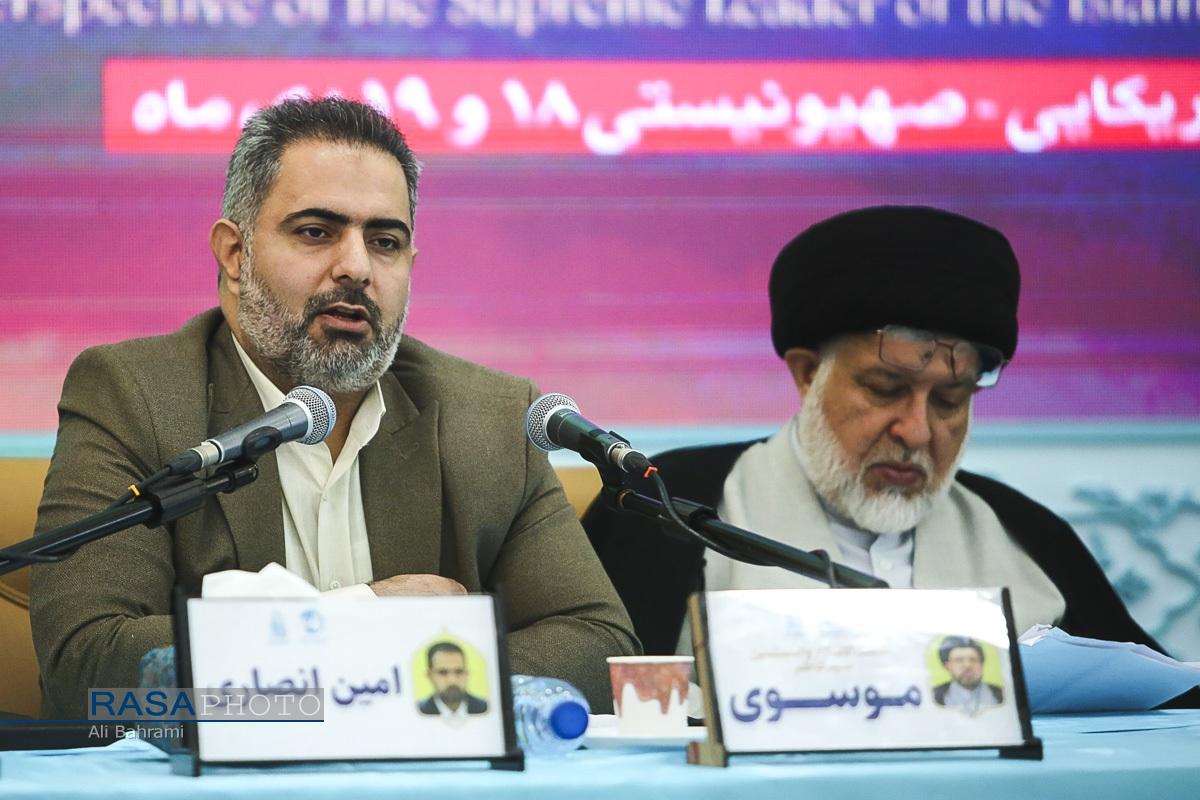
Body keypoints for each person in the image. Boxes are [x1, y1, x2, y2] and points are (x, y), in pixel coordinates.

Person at [31, 97, 638, 719]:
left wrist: (371, 678)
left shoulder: (491, 417)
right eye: (316, 232)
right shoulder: (134, 394)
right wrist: (363, 623)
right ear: (235, 255)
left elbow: (600, 649)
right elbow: (84, 663)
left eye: (385, 242)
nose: (356, 268)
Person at [584, 206, 1196, 710]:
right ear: (808, 374)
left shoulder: (1027, 534)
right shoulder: (667, 507)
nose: (917, 430)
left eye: (950, 400)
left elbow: (1167, 705)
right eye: (884, 389)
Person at [932, 636, 1003, 715]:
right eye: (959, 660)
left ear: (982, 664)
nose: (967, 665)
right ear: (947, 666)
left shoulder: (1001, 694)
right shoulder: (933, 695)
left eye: (973, 660)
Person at [417, 642, 489, 717]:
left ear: (466, 674)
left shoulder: (485, 708)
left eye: (459, 671)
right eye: (443, 672)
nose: (452, 680)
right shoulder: (419, 711)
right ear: (429, 676)